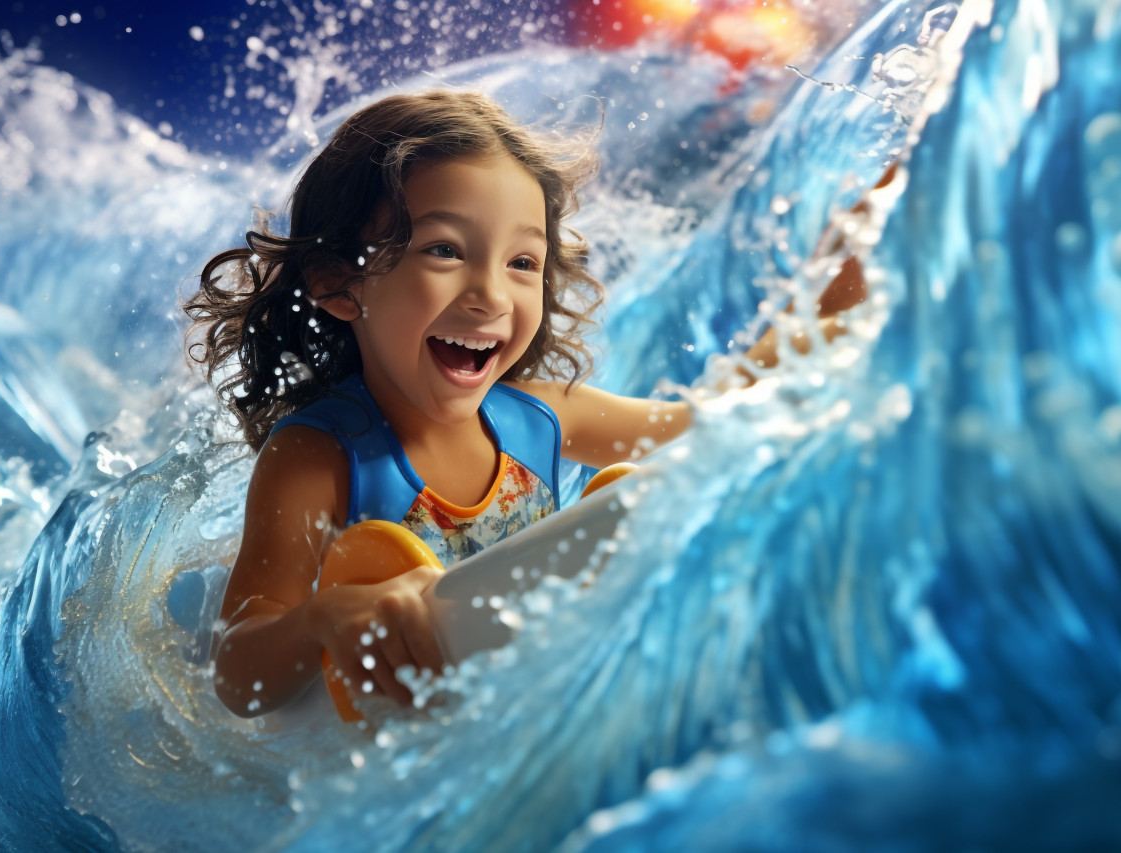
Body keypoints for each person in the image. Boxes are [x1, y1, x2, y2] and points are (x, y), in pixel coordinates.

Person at [185, 90, 878, 720]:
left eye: (523, 263)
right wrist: (325, 617)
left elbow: (715, 428)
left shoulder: (544, 417)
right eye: (445, 249)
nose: (492, 294)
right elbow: (236, 674)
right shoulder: (317, 456)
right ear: (339, 283)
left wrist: (831, 308)